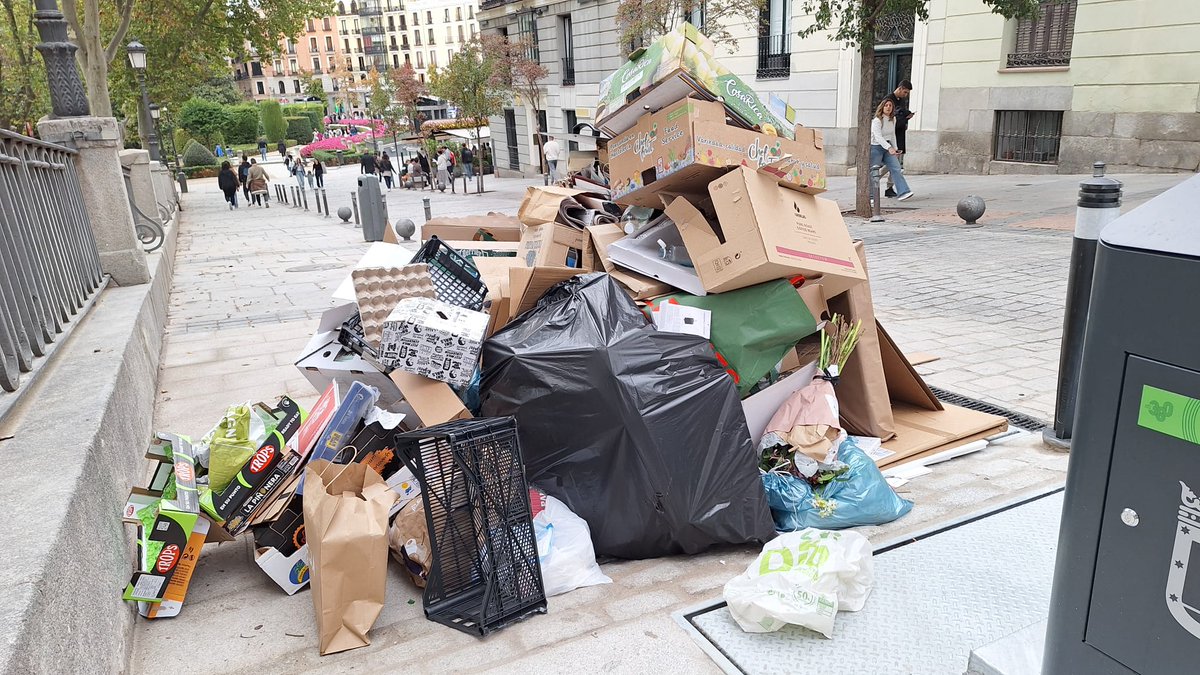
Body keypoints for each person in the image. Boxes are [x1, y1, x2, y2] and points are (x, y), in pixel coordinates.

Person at [870, 98, 913, 201]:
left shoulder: (893, 119)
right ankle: (871, 196)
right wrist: (889, 148)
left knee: (896, 168)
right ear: (882, 107)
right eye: (886, 105)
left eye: (890, 105)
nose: (888, 107)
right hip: (876, 147)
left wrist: (895, 148)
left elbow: (892, 135)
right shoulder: (877, 121)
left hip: (888, 146)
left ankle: (903, 192)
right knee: (873, 171)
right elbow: (878, 137)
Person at [882, 80, 914, 197]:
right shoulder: (889, 100)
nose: (906, 95)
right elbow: (890, 119)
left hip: (899, 135)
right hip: (890, 136)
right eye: (905, 92)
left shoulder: (901, 100)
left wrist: (906, 115)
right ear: (900, 88)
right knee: (893, 162)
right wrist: (904, 118)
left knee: (895, 162)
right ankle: (874, 178)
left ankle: (889, 187)